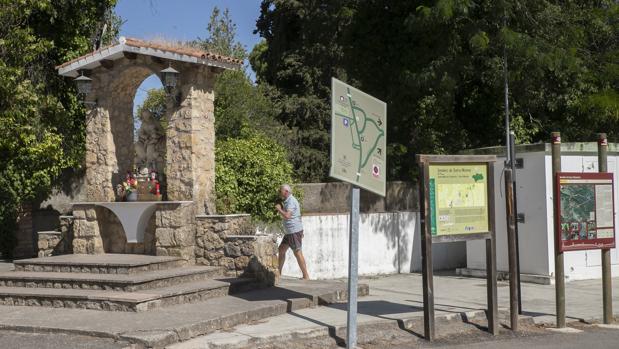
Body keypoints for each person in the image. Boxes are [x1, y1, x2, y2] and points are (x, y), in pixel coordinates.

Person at [275, 184, 310, 280]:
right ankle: (279, 273)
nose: (279, 192)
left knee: (297, 252)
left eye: (281, 190)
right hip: (289, 231)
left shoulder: (290, 201)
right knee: (281, 250)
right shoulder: (287, 201)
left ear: (286, 191)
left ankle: (306, 276)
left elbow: (287, 216)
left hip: (293, 231)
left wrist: (279, 209)